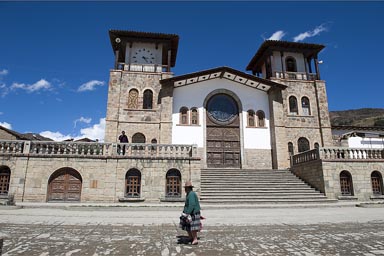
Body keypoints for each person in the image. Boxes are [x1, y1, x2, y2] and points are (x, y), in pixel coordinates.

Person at [179, 181, 201, 245]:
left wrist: (187, 213)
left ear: (188, 188)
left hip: (193, 213)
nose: (185, 189)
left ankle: (195, 239)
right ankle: (190, 237)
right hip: (189, 213)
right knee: (187, 226)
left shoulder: (191, 194)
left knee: (193, 227)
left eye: (185, 188)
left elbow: (192, 205)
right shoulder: (189, 194)